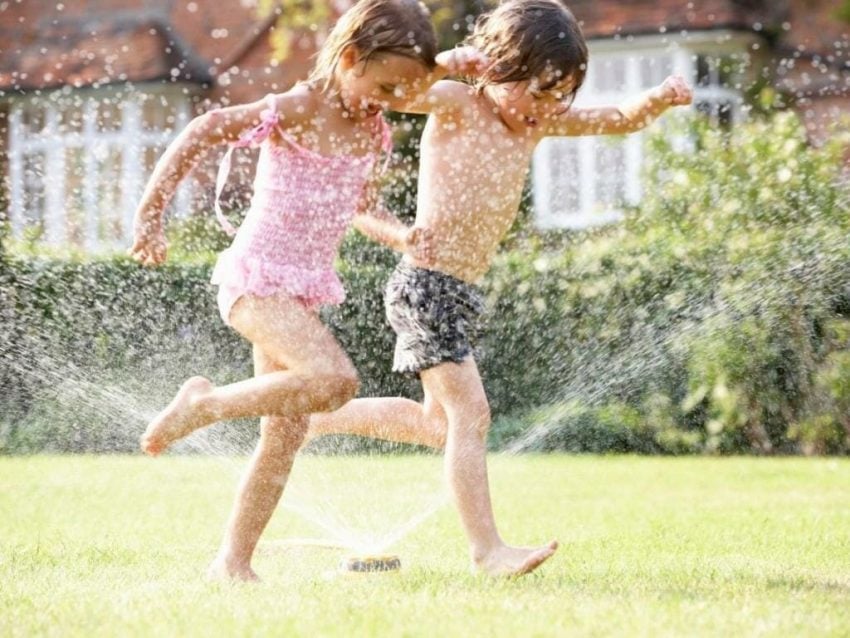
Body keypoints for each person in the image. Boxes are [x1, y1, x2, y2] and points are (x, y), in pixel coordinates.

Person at [307, 0, 694, 577]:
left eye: (561, 95)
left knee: (439, 424)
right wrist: (443, 64)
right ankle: (487, 551)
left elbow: (617, 118)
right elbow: (397, 91)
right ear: (493, 71)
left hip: (458, 292)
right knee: (473, 413)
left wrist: (657, 100)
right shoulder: (458, 103)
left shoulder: (538, 122)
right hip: (424, 286)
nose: (549, 108)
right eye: (538, 92)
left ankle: (314, 417)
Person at [129, 0, 480, 581]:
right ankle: (203, 406)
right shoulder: (296, 109)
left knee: (284, 433)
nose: (388, 101)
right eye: (384, 85)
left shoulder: (372, 131)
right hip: (254, 281)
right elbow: (203, 128)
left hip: (300, 291)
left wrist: (402, 235)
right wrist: (150, 215)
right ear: (348, 58)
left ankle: (232, 565)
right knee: (336, 380)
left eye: (401, 94)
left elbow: (362, 206)